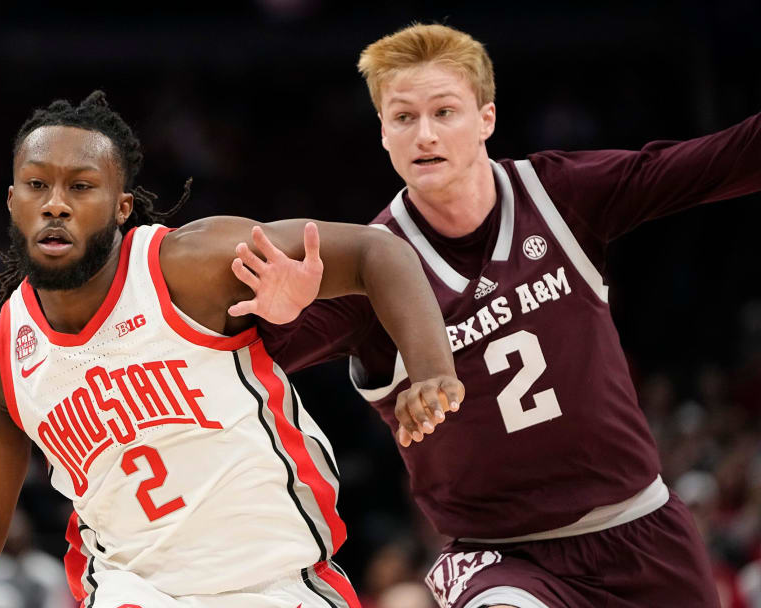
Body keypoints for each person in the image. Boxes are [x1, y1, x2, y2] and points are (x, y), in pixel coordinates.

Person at [0, 91, 464, 608]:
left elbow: (377, 252)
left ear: (121, 206)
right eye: (37, 185)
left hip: (277, 582)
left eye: (81, 186)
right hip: (133, 592)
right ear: (12, 203)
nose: (55, 202)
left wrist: (431, 369)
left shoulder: (189, 265)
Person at [246, 23, 761, 608]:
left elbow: (718, 162)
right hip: (497, 557)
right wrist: (280, 317)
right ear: (383, 135)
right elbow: (236, 363)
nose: (425, 135)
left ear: (486, 119)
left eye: (445, 112)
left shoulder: (559, 194)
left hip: (641, 527)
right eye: (404, 118)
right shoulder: (369, 267)